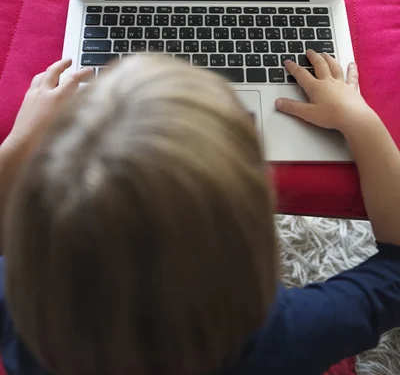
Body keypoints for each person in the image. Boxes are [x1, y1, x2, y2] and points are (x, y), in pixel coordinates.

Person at [0, 51, 399, 375]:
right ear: (254, 233)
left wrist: (19, 142)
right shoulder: (288, 335)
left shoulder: (16, 309)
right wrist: (358, 119)